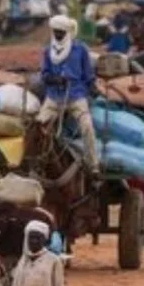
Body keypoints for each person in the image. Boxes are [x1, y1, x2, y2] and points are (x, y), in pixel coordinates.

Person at [37, 15, 97, 171]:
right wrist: (54, 79)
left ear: (68, 32)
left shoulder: (80, 49)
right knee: (38, 127)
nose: (58, 35)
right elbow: (44, 75)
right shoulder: (47, 51)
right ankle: (36, 163)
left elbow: (88, 75)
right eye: (56, 32)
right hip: (53, 99)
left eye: (61, 32)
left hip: (76, 97)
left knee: (87, 127)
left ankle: (93, 164)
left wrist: (91, 90)